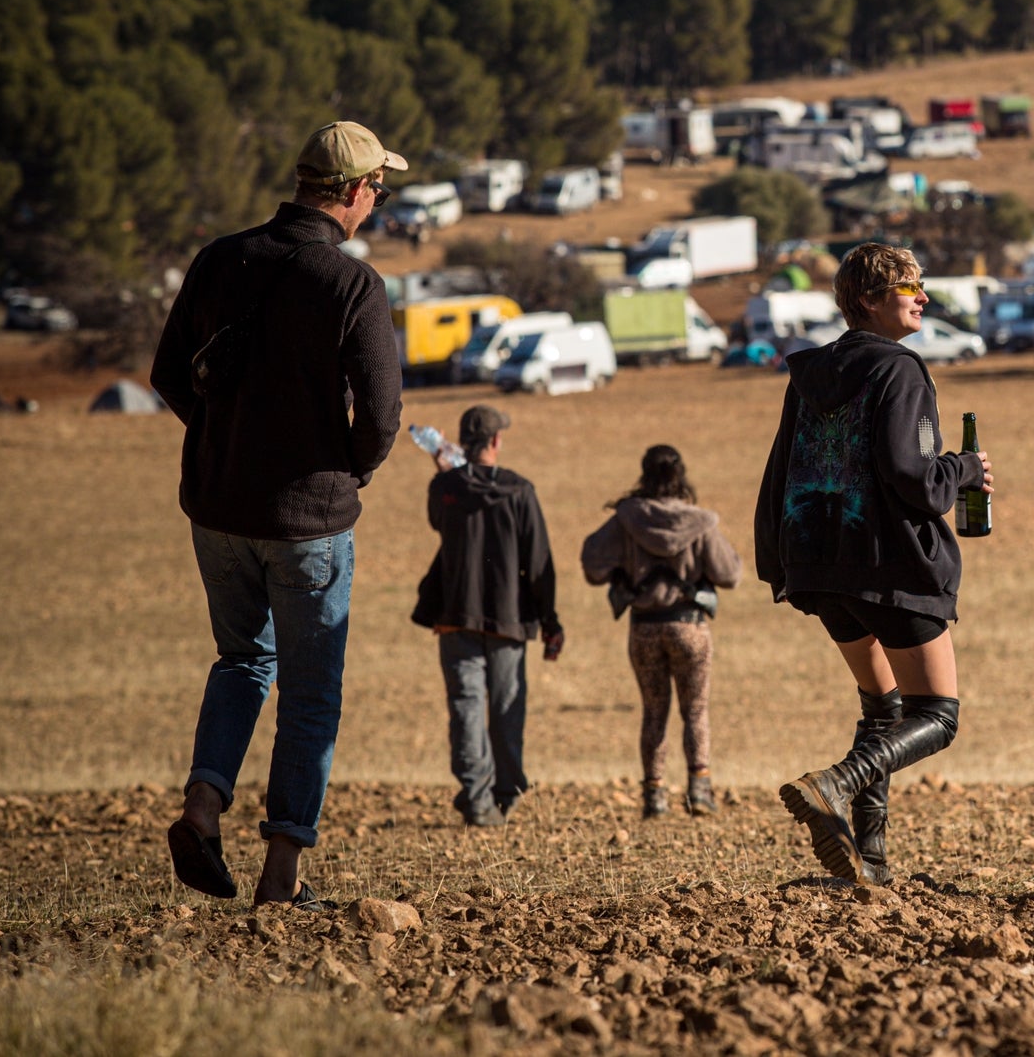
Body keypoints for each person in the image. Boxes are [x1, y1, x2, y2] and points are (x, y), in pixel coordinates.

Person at [149, 120, 405, 908]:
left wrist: (227, 441)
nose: (378, 202)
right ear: (357, 194)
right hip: (309, 524)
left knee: (240, 662)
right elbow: (384, 416)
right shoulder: (351, 285)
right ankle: (282, 876)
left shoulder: (218, 258)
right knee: (310, 693)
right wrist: (346, 470)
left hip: (217, 510)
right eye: (379, 190)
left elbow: (167, 374)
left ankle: (202, 807)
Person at [755, 242, 992, 885]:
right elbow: (911, 476)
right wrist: (965, 470)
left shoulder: (807, 374)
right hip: (888, 567)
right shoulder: (901, 370)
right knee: (936, 716)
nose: (923, 297)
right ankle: (835, 783)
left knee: (881, 709)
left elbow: (780, 469)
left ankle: (872, 861)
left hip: (816, 563)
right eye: (907, 287)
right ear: (868, 300)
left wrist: (778, 562)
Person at [412, 406, 561, 828]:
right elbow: (539, 562)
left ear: (462, 442)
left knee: (467, 708)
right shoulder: (521, 491)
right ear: (496, 442)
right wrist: (550, 621)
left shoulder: (445, 487)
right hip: (509, 620)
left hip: (457, 614)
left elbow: (438, 520)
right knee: (506, 709)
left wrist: (444, 470)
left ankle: (477, 801)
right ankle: (505, 796)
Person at [580, 444, 742, 818]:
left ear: (645, 474)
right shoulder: (700, 522)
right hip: (690, 629)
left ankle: (654, 795)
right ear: (680, 476)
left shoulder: (626, 518)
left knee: (654, 712)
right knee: (696, 710)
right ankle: (699, 790)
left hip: (645, 629)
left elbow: (592, 566)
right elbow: (730, 574)